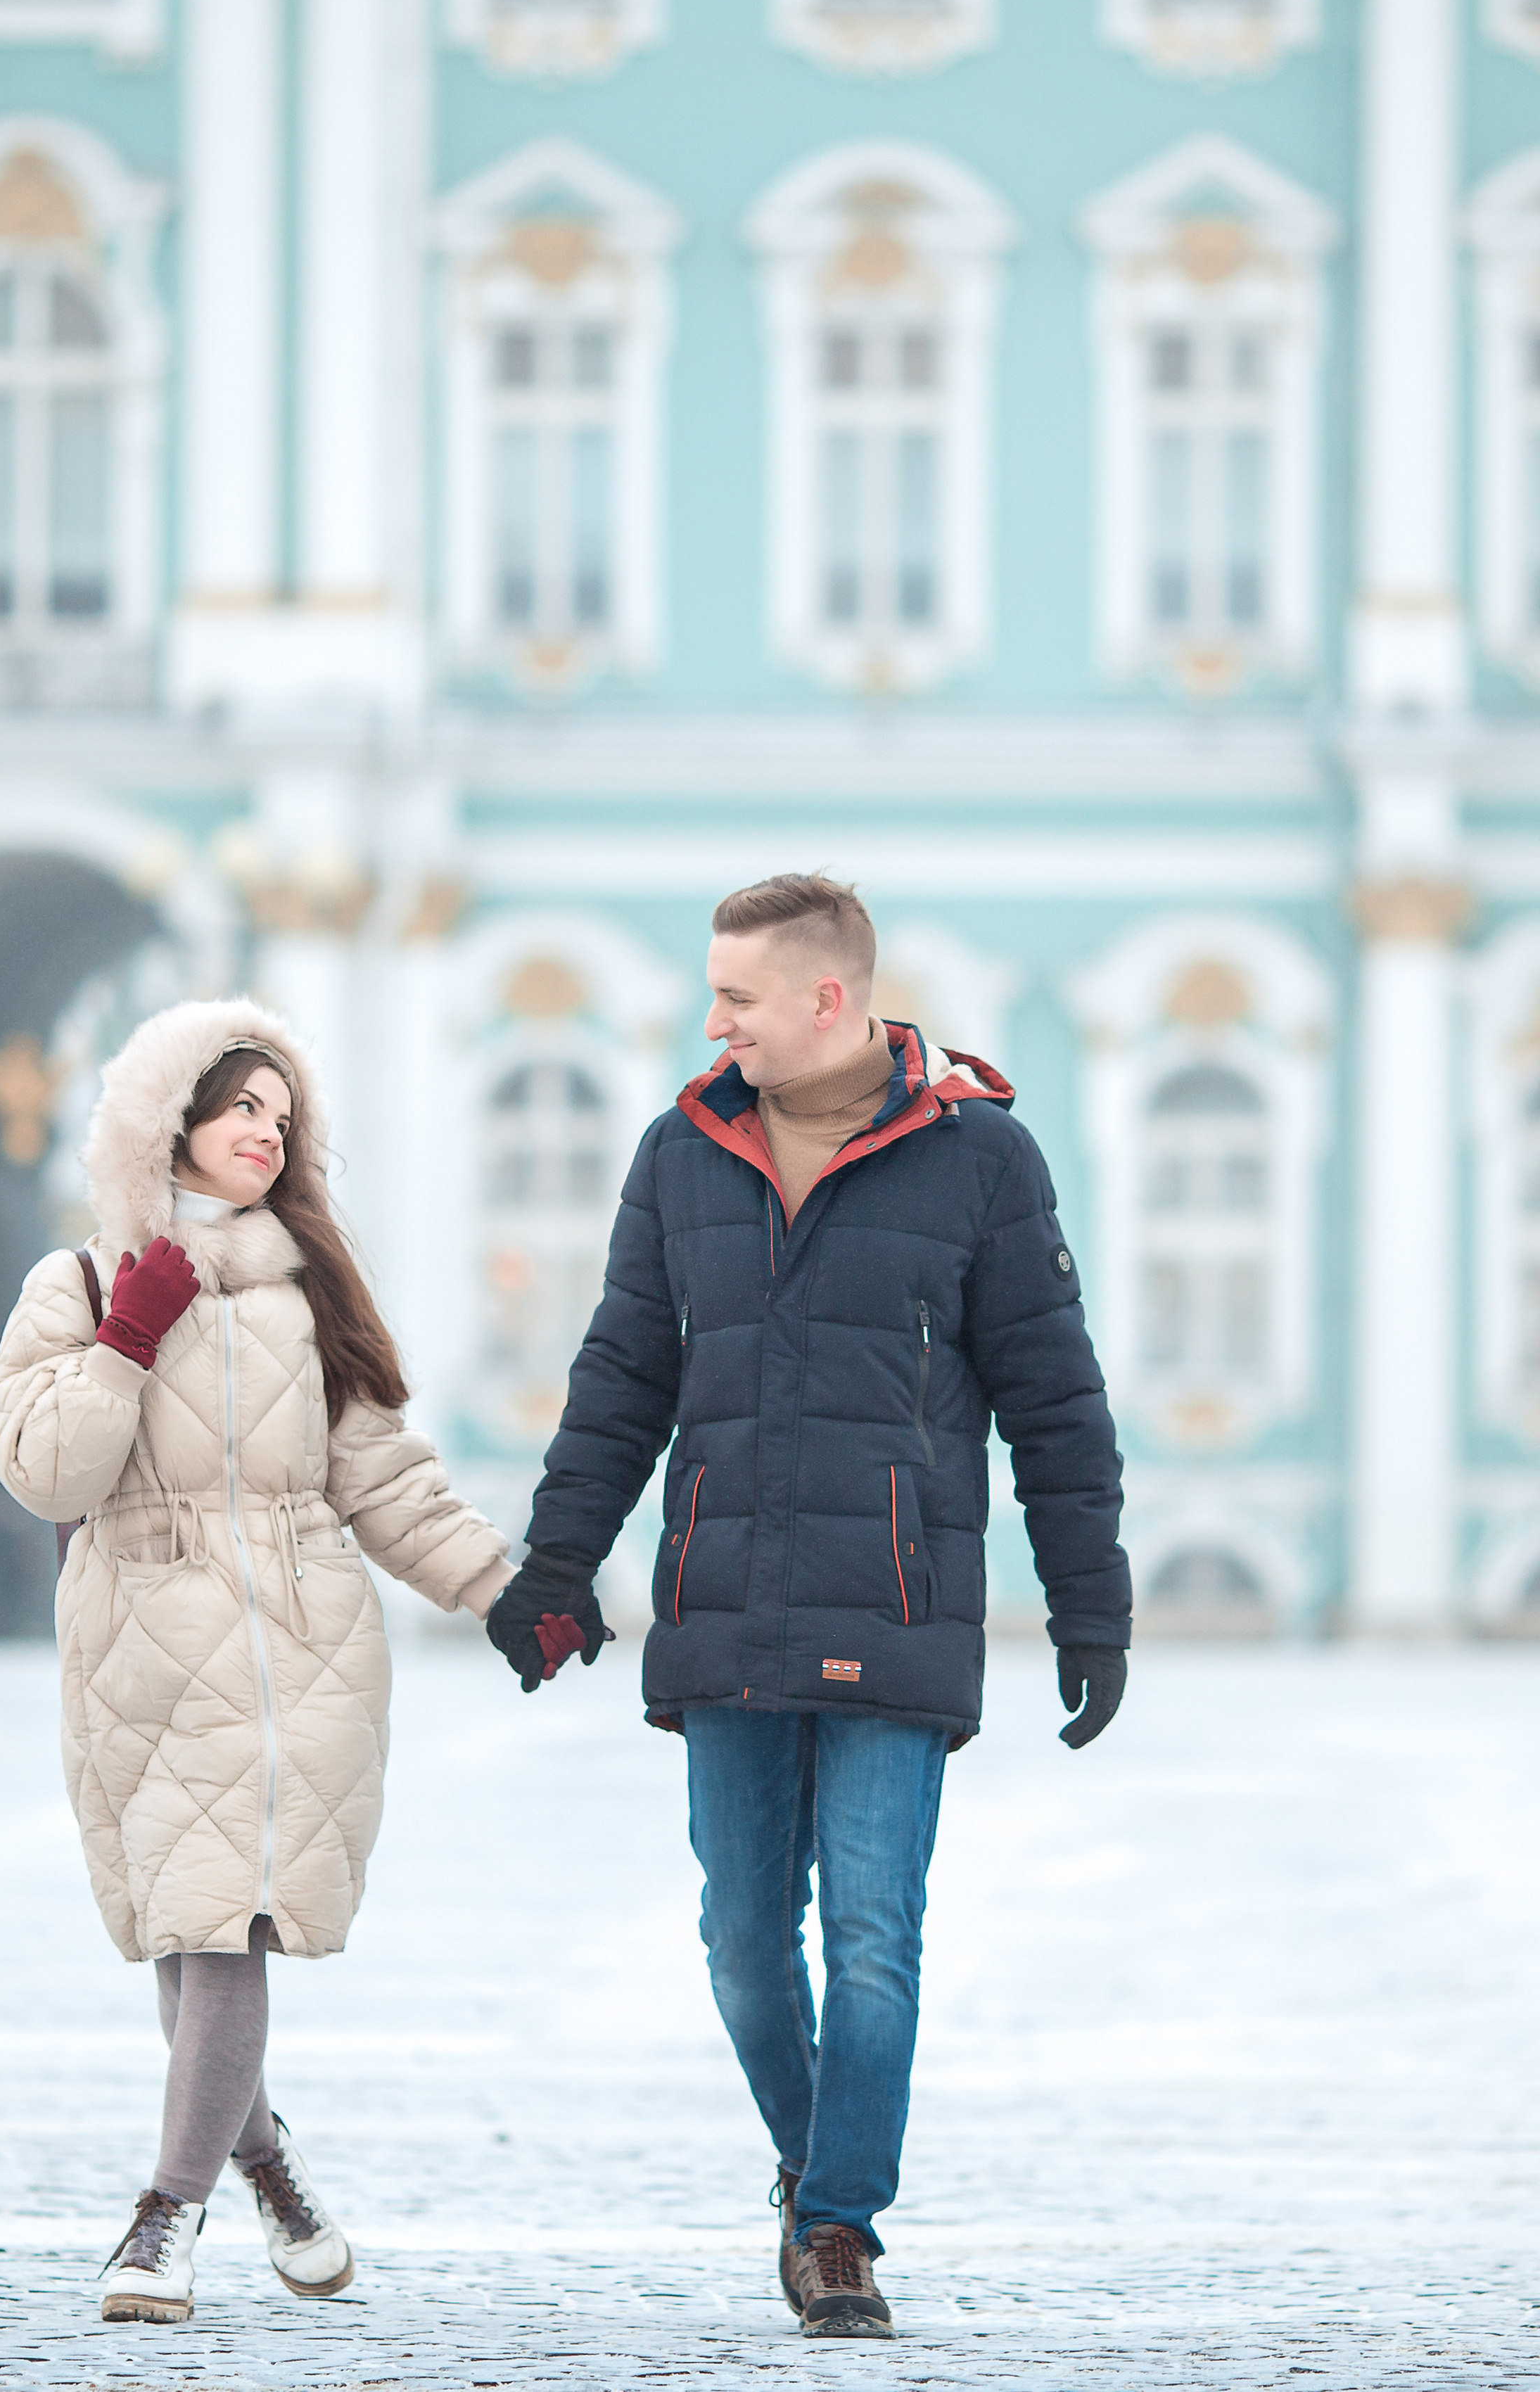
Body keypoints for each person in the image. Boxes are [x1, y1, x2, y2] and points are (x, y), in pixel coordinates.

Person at [486, 874, 1131, 2341]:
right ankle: (811, 2168)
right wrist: (553, 1565)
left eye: (736, 998)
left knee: (873, 1938)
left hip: (896, 1609)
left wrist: (1090, 1609)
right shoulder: (679, 1154)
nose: (710, 1021)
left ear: (826, 999)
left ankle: (837, 2225)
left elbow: (1054, 1406)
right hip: (721, 1606)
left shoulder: (979, 1161)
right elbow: (620, 1383)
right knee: (735, 1937)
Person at [0, 999, 516, 2325]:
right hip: (141, 1651)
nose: (265, 1138)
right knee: (190, 1934)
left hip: (297, 1648)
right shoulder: (80, 1285)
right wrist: (125, 1341)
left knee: (232, 1933)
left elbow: (385, 1478)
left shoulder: (312, 1290)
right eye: (241, 1109)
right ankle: (271, 2169)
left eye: (284, 1121)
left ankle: (162, 2221)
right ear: (169, 1120)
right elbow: (43, 1469)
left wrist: (504, 1591)